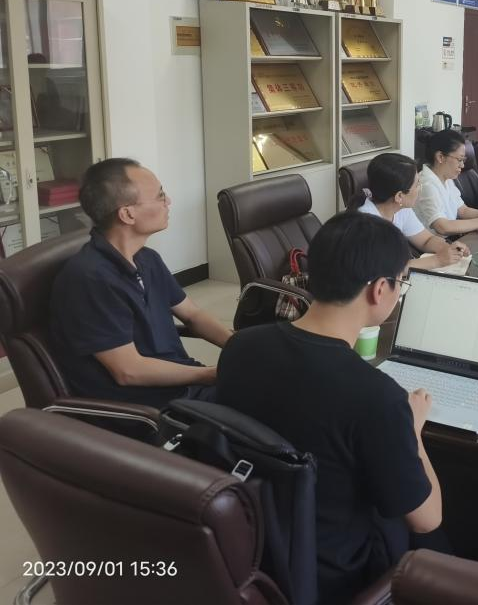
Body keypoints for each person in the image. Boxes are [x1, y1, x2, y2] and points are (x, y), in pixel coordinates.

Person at [217, 211, 443, 603]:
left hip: (251, 548)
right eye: (401, 282)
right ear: (379, 290)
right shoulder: (378, 397)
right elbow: (426, 519)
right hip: (338, 575)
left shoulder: (239, 347)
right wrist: (413, 431)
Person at [49, 158, 231, 407]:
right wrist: (210, 375)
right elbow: (128, 371)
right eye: (160, 196)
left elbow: (192, 315)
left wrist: (239, 347)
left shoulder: (147, 259)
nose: (168, 201)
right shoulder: (91, 279)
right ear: (127, 214)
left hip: (184, 385)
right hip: (152, 406)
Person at [358, 152, 468, 269]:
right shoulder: (367, 224)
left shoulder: (399, 208)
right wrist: (438, 260)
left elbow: (426, 240)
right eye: (417, 184)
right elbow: (386, 270)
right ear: (399, 196)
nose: (420, 188)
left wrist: (450, 249)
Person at [413, 130, 478, 236]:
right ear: (440, 157)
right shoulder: (426, 184)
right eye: (459, 159)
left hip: (451, 239)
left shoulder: (446, 178)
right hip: (433, 244)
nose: (462, 165)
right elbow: (442, 227)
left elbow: (463, 210)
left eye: (463, 160)